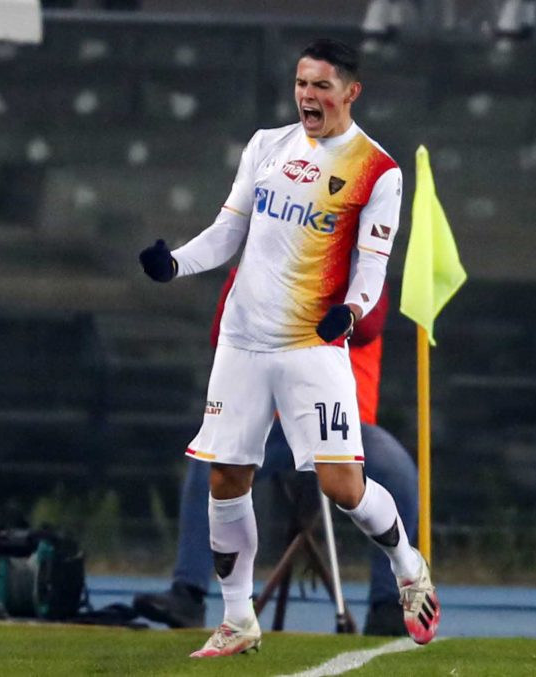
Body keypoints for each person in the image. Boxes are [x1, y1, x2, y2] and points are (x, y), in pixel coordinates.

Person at [137, 38, 440, 658]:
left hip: (310, 347)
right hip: (242, 342)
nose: (308, 95)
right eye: (302, 83)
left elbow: (373, 266)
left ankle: (407, 564)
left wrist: (349, 311)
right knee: (225, 476)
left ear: (350, 92)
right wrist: (176, 264)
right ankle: (236, 617)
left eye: (322, 85)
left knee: (343, 487)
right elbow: (228, 231)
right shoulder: (265, 146)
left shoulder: (378, 170)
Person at [133, 268, 418, 637]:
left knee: (397, 470)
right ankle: (188, 593)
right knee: (211, 462)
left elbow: (367, 326)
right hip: (274, 420)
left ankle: (388, 606)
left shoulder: (362, 269)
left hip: (345, 425)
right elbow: (221, 333)